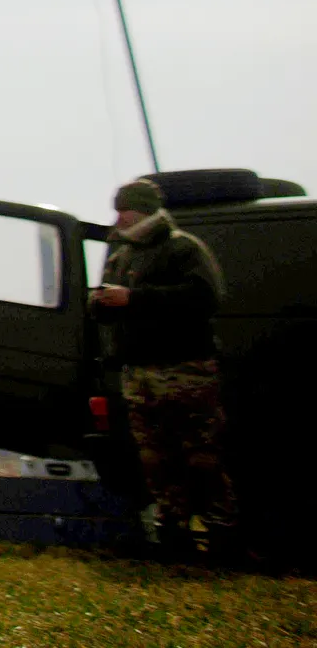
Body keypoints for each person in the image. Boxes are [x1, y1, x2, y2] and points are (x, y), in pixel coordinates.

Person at [90, 176, 239, 558]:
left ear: (145, 210)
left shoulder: (183, 249)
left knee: (201, 455)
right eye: (119, 209)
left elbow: (204, 296)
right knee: (155, 458)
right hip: (139, 374)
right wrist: (102, 303)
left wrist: (135, 299)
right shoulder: (122, 255)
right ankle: (173, 531)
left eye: (127, 209)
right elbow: (109, 303)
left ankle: (222, 532)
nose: (120, 217)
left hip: (185, 370)